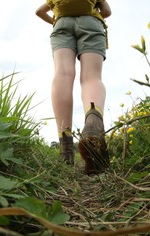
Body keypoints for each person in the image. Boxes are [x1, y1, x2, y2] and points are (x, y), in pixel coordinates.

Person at [36, 0, 111, 175]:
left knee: (62, 75)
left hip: (62, 24)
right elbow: (106, 11)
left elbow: (39, 11)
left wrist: (55, 19)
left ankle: (66, 150)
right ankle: (93, 123)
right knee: (91, 77)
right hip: (91, 23)